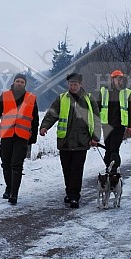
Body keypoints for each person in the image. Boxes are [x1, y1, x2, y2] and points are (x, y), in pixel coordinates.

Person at [39, 73, 100, 209]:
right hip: (64, 141)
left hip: (82, 141)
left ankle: (74, 197)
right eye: (71, 84)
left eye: (75, 84)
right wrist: (44, 126)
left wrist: (95, 137)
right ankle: (69, 192)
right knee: (67, 169)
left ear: (80, 84)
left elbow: (96, 119)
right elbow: (52, 114)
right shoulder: (62, 98)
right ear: (68, 85)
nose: (73, 87)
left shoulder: (89, 99)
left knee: (76, 170)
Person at [0, 73, 39, 205]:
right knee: (6, 162)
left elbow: (35, 119)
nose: (19, 83)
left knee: (16, 164)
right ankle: (9, 187)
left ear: (25, 84)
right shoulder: (5, 96)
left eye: (22, 82)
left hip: (22, 136)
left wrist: (33, 137)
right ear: (14, 82)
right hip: (7, 134)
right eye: (18, 81)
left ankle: (14, 194)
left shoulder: (31, 98)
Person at [97, 69, 131, 174]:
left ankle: (114, 168)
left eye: (121, 79)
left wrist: (130, 126)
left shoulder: (125, 92)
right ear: (112, 79)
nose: (119, 81)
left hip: (119, 125)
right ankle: (108, 167)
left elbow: (130, 110)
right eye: (117, 78)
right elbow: (97, 107)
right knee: (108, 147)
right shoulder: (104, 91)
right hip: (106, 125)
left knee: (114, 147)